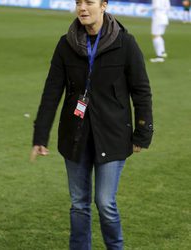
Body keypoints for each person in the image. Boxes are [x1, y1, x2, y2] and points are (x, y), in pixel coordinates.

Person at [31, 0, 153, 249]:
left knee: (105, 202)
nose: (82, 8)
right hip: (74, 134)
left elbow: (141, 91)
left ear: (104, 5)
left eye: (89, 2)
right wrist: (40, 135)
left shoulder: (125, 43)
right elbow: (51, 92)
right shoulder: (66, 44)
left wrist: (143, 133)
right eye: (78, 3)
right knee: (78, 203)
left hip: (113, 134)